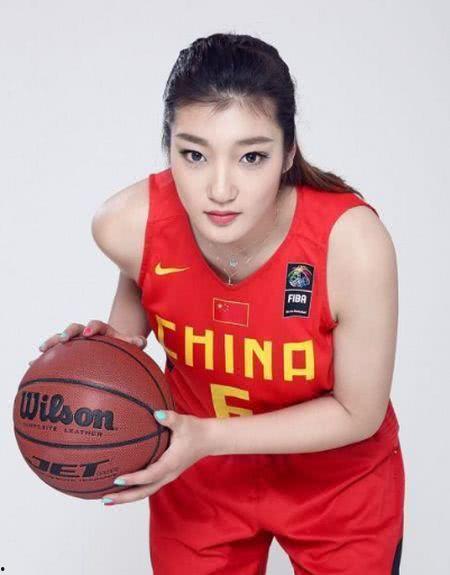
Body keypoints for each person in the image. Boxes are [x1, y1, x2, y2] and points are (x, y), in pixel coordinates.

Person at [32, 33, 405, 574]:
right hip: (201, 476)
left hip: (336, 482)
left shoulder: (352, 245)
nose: (220, 189)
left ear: (289, 153)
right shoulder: (128, 225)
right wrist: (101, 357)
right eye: (194, 155)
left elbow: (359, 412)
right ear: (168, 149)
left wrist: (210, 436)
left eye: (251, 156)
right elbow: (132, 327)